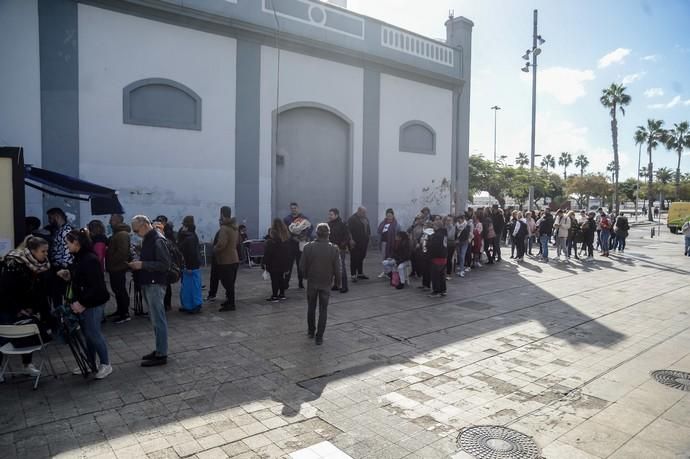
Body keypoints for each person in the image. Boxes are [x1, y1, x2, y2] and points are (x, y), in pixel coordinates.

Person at [58, 230, 112, 379]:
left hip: (93, 303)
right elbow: (82, 279)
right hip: (85, 301)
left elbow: (96, 287)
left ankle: (106, 364)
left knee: (94, 334)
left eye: (68, 243)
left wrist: (81, 303)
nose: (66, 246)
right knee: (88, 334)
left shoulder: (89, 259)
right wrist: (69, 276)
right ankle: (90, 362)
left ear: (76, 243)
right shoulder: (79, 257)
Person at [0, 237, 52, 378]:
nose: (46, 254)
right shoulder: (13, 263)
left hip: (25, 304)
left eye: (47, 251)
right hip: (7, 306)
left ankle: (27, 364)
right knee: (4, 336)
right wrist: (17, 309)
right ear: (32, 251)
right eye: (43, 251)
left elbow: (39, 289)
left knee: (28, 334)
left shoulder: (41, 265)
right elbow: (4, 291)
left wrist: (32, 307)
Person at [128, 215, 171, 367]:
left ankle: (162, 353)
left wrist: (142, 265)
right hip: (149, 282)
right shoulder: (149, 238)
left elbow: (165, 265)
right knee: (154, 319)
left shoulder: (157, 239)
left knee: (158, 319)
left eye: (136, 230)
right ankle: (159, 349)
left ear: (145, 225)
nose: (135, 233)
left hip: (155, 283)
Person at [299, 223, 341, 345]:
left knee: (311, 307)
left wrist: (306, 276)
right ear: (328, 234)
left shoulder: (308, 247)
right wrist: (337, 283)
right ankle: (319, 336)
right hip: (326, 282)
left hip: (312, 282)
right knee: (323, 310)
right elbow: (338, 269)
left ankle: (311, 330)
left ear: (316, 233)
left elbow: (302, 266)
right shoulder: (334, 249)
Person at [106, 214, 132, 323]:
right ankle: (120, 310)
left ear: (117, 221)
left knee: (120, 290)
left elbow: (122, 252)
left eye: (111, 220)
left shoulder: (122, 234)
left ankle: (124, 313)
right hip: (115, 267)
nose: (109, 222)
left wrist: (111, 261)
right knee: (117, 290)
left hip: (118, 267)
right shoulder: (117, 233)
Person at [214, 206, 240, 312]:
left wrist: (214, 248)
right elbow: (237, 242)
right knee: (230, 282)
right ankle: (229, 300)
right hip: (234, 258)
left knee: (226, 282)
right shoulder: (234, 227)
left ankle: (231, 304)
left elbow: (221, 244)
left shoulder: (224, 228)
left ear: (222, 214)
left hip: (226, 260)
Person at [47, 207, 73, 308]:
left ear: (57, 217)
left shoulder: (66, 231)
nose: (49, 221)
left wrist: (64, 266)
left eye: (50, 218)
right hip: (58, 266)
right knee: (56, 294)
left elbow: (67, 250)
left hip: (62, 267)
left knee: (61, 295)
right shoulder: (59, 230)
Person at [262, 218, 292, 302]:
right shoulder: (286, 237)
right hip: (283, 261)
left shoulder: (272, 239)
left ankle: (274, 295)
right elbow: (288, 252)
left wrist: (264, 262)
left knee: (274, 279)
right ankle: (282, 294)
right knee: (281, 278)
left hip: (274, 262)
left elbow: (268, 252)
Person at [177, 216, 202, 313]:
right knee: (188, 287)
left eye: (183, 225)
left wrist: (189, 266)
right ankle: (189, 305)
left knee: (191, 287)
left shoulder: (188, 237)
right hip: (190, 266)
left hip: (190, 266)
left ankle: (194, 305)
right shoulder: (191, 236)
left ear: (186, 226)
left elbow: (191, 253)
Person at [284, 203, 312, 289]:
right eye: (292, 208)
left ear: (298, 208)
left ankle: (300, 282)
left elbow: (310, 228)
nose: (293, 210)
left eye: (295, 208)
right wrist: (292, 237)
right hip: (290, 245)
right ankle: (286, 283)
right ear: (290, 209)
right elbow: (285, 231)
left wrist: (305, 236)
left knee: (300, 265)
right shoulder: (287, 219)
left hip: (301, 244)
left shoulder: (304, 218)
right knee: (288, 265)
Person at [153, 216, 175, 311]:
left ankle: (167, 304)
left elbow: (171, 246)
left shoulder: (168, 233)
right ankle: (164, 303)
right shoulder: (157, 233)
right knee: (163, 283)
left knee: (166, 283)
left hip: (167, 261)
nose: (159, 223)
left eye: (161, 222)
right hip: (161, 261)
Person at [327, 208, 351, 293]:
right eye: (329, 214)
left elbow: (347, 236)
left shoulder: (342, 224)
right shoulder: (328, 224)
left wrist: (341, 245)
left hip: (340, 249)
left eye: (331, 214)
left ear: (336, 215)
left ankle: (344, 286)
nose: (329, 216)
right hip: (330, 249)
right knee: (332, 268)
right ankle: (336, 285)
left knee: (341, 268)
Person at [347, 207, 371, 282]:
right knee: (354, 258)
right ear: (359, 211)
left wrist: (369, 238)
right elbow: (348, 230)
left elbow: (368, 229)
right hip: (355, 242)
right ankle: (353, 275)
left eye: (365, 212)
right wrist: (350, 240)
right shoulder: (352, 219)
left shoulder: (366, 219)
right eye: (363, 212)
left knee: (361, 257)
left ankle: (360, 273)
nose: (365, 214)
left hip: (364, 242)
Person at [428, 220, 447, 297]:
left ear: (437, 226)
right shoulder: (444, 234)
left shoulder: (437, 235)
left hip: (437, 257)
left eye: (434, 225)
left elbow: (434, 247)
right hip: (443, 257)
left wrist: (430, 253)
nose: (433, 227)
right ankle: (443, 290)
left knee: (435, 275)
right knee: (442, 275)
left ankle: (436, 291)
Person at [377, 208, 398, 277]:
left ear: (393, 215)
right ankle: (385, 271)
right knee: (384, 257)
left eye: (390, 215)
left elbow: (398, 233)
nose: (389, 217)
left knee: (390, 257)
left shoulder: (396, 224)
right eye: (387, 215)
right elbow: (379, 231)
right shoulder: (383, 223)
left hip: (392, 244)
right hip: (384, 243)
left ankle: (390, 272)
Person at [206, 217, 222, 302]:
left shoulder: (222, 232)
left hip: (218, 258)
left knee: (216, 278)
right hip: (219, 258)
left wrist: (214, 248)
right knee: (217, 278)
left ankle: (212, 294)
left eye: (220, 221)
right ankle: (212, 294)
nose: (219, 222)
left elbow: (220, 245)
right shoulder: (222, 231)